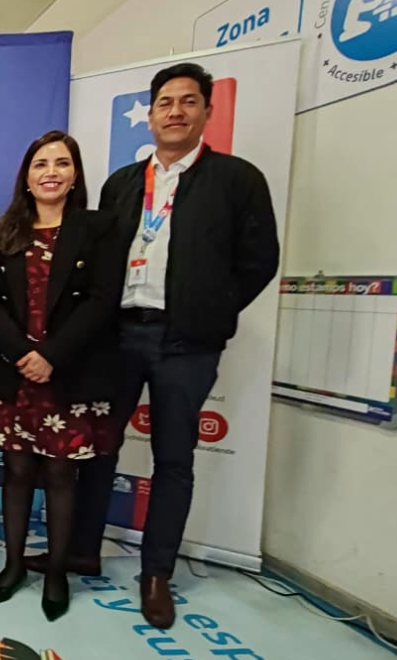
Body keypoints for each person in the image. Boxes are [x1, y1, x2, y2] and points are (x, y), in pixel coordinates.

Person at [53, 63, 280, 629]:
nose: (175, 112)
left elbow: (260, 261)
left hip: (186, 342)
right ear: (151, 116)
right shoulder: (123, 183)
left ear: (207, 111)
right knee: (98, 447)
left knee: (174, 458)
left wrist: (211, 310)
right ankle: (83, 550)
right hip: (118, 335)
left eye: (188, 101)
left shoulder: (236, 179)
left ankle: (156, 574)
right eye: (165, 103)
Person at [0, 131, 126, 622]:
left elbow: (103, 300)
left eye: (61, 163)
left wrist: (51, 355)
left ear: (75, 174)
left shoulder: (98, 229)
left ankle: (57, 571)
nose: (51, 172)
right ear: (27, 176)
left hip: (69, 372)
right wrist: (23, 353)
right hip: (14, 373)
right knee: (16, 470)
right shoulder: (4, 231)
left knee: (61, 473)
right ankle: (13, 564)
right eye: (41, 164)